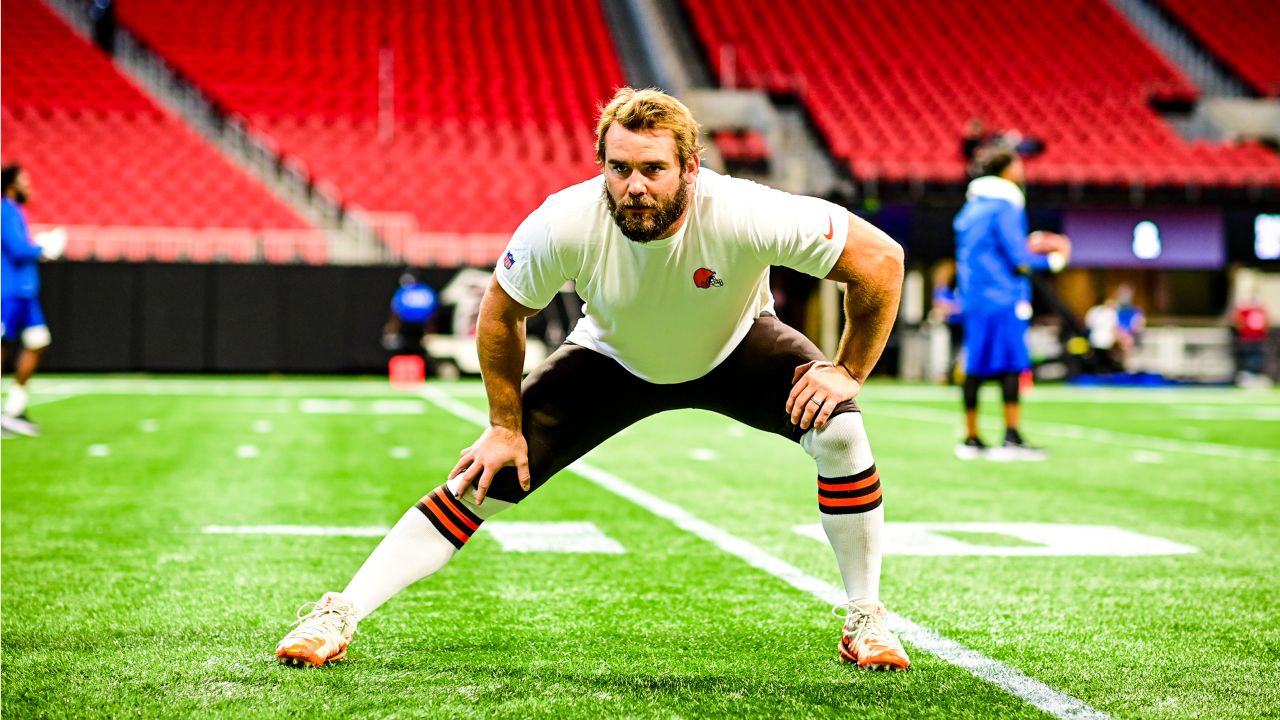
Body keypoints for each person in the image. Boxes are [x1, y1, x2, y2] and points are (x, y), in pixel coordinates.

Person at [275, 88, 910, 671]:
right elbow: (502, 313)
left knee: (841, 435)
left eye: (653, 170)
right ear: (601, 162)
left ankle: (867, 617)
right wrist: (502, 426)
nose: (634, 186)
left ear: (691, 169)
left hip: (737, 346)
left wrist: (847, 370)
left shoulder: (746, 209)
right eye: (619, 168)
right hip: (613, 359)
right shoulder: (566, 219)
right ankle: (340, 613)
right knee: (486, 476)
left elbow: (881, 261)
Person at [953, 146, 1070, 460]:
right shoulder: (1006, 204)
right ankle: (1011, 437)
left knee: (975, 367)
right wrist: (1056, 258)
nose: (1022, 171)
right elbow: (1018, 259)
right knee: (1011, 365)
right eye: (1017, 165)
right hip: (1004, 296)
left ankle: (971, 438)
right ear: (1005, 169)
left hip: (974, 297)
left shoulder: (970, 208)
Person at [2, 164, 63, 438]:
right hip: (8, 292)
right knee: (2, 346)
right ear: (12, 185)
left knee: (38, 342)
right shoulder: (4, 209)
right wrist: (43, 247)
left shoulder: (17, 212)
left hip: (26, 292)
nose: (29, 185)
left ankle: (14, 409)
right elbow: (17, 250)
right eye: (24, 180)